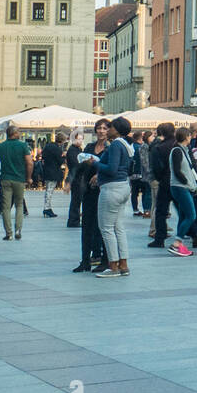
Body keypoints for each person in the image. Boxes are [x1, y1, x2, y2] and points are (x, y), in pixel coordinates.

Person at [93, 116, 133, 278]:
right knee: (118, 228)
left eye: (111, 127)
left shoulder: (116, 145)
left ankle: (113, 266)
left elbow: (111, 169)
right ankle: (123, 264)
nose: (108, 129)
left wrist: (93, 163)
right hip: (123, 186)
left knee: (107, 228)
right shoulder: (126, 144)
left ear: (117, 130)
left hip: (112, 188)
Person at [71, 127, 107, 273]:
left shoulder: (111, 148)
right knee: (87, 225)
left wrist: (99, 173)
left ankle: (103, 259)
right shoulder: (90, 147)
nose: (101, 131)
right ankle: (85, 260)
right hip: (88, 189)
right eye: (99, 128)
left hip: (104, 189)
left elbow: (113, 167)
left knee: (102, 225)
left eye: (104, 128)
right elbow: (81, 165)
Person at [0, 125, 32, 241]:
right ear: (14, 133)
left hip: (5, 178)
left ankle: (8, 233)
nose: (19, 133)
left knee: (6, 206)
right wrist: (29, 177)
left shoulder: (1, 146)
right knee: (19, 204)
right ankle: (18, 230)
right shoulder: (23, 145)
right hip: (19, 179)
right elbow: (30, 162)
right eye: (18, 132)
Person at [167, 126, 197, 257]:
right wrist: (187, 181)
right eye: (189, 135)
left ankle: (179, 243)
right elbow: (177, 170)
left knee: (183, 215)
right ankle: (176, 242)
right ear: (186, 137)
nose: (191, 137)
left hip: (182, 187)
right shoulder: (177, 150)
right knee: (191, 215)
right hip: (180, 187)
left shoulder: (183, 150)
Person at [148, 122, 175, 247]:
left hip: (165, 182)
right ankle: (194, 233)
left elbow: (156, 167)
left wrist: (160, 177)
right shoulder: (178, 145)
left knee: (161, 211)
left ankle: (160, 238)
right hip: (179, 182)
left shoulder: (159, 147)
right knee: (185, 209)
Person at [40, 133, 66, 217]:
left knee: (48, 189)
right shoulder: (57, 149)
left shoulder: (47, 146)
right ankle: (46, 208)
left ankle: (48, 207)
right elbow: (60, 161)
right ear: (62, 141)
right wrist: (64, 156)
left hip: (46, 170)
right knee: (50, 191)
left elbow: (43, 156)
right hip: (54, 171)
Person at [128, 131, 150, 217]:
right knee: (145, 192)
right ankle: (146, 210)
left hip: (132, 174)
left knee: (134, 193)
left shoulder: (131, 147)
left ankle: (135, 210)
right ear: (141, 138)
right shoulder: (142, 147)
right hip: (142, 173)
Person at [65, 134, 85, 227]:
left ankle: (75, 219)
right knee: (76, 200)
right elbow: (74, 166)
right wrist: (69, 181)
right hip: (77, 178)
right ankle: (73, 220)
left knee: (77, 199)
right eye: (78, 139)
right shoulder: (73, 150)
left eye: (81, 139)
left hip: (79, 177)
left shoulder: (78, 150)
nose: (80, 141)